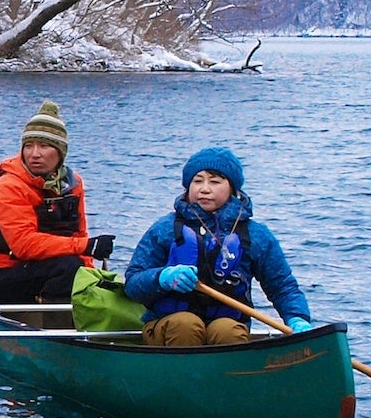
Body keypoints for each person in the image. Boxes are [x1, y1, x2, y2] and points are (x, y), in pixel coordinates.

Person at [124, 147, 316, 346]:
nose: (204, 188)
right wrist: (162, 278)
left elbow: (282, 286)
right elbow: (133, 283)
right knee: (185, 324)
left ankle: (228, 374)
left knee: (226, 329)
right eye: (197, 181)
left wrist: (297, 318)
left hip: (228, 327)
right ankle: (178, 374)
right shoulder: (165, 229)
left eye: (215, 181)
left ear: (233, 189)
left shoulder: (256, 235)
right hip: (167, 327)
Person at [0, 99, 115, 304]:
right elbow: (24, 245)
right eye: (29, 146)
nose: (34, 154)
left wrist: (89, 273)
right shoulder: (9, 187)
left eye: (44, 146)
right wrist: (85, 246)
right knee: (69, 267)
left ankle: (72, 315)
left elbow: (79, 233)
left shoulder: (73, 184)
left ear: (60, 152)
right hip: (5, 274)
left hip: (54, 268)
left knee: (80, 270)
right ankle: (49, 320)